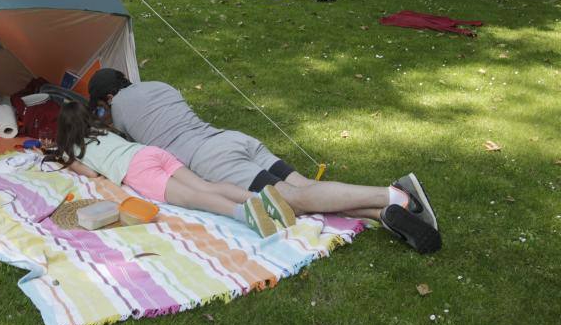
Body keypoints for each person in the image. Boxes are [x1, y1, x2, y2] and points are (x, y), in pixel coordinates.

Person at [87, 68, 442, 254]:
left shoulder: (116, 109)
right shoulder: (160, 85)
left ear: (106, 96)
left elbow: (124, 141)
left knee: (294, 201)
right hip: (232, 138)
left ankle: (394, 195)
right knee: (306, 189)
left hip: (210, 158)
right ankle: (383, 215)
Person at [52, 101, 294, 238]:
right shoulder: (104, 130)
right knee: (205, 186)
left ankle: (244, 214)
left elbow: (92, 174)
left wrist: (67, 159)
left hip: (135, 168)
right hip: (150, 152)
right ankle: (260, 199)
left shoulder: (73, 149)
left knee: (191, 197)